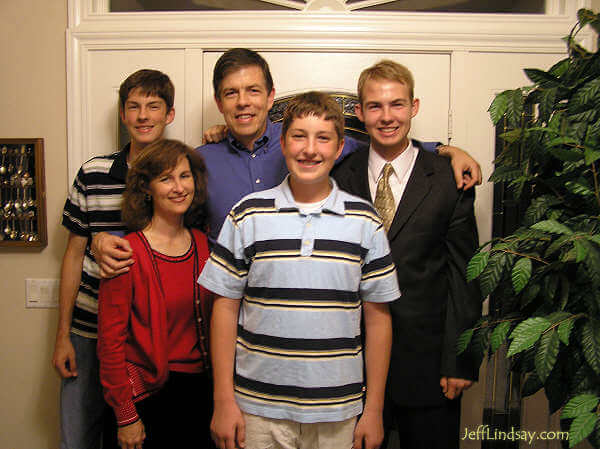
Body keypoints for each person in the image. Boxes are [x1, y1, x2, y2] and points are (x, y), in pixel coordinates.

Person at [91, 48, 482, 273]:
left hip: (304, 299)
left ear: (270, 94)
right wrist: (110, 241)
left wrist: (443, 150)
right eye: (231, 94)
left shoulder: (304, 145)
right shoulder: (201, 159)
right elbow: (167, 222)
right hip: (224, 305)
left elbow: (382, 146)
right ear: (218, 102)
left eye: (253, 90)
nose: (243, 102)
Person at [199, 91, 399, 449]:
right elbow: (225, 309)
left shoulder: (365, 221)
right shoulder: (247, 214)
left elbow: (378, 319)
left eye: (323, 138)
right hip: (256, 410)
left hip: (339, 410)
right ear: (283, 142)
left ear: (339, 149)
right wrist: (223, 400)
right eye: (299, 136)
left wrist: (374, 410)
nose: (310, 149)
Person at [332, 60, 482, 449]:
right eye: (375, 106)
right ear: (360, 112)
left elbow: (465, 275)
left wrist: (460, 360)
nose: (386, 117)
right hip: (352, 365)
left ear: (413, 107)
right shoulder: (339, 176)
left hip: (430, 365)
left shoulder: (449, 177)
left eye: (396, 105)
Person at [51, 69, 175, 449]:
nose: (143, 116)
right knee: (79, 436)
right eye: (134, 106)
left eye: (153, 106)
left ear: (168, 115)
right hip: (88, 330)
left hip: (148, 335)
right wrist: (62, 336)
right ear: (123, 114)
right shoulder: (94, 173)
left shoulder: (178, 175)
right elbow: (73, 255)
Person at [98, 139, 215, 449]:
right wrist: (126, 416)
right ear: (146, 188)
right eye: (166, 178)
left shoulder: (204, 244)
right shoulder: (125, 252)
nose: (178, 187)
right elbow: (110, 344)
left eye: (184, 175)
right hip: (148, 396)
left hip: (201, 393)